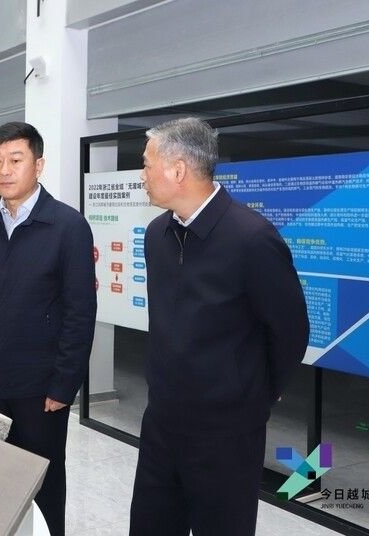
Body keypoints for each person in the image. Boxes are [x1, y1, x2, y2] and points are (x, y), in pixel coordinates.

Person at [129, 118, 309, 535]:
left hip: (227, 435)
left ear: (178, 170)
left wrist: (257, 392)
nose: (142, 175)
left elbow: (290, 329)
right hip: (161, 424)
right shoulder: (157, 234)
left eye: (147, 165)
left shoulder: (252, 238)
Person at [0, 122, 96, 536]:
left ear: (39, 165)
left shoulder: (67, 226)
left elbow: (80, 313)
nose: (4, 170)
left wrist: (64, 384)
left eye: (15, 159)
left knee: (42, 482)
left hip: (41, 389)